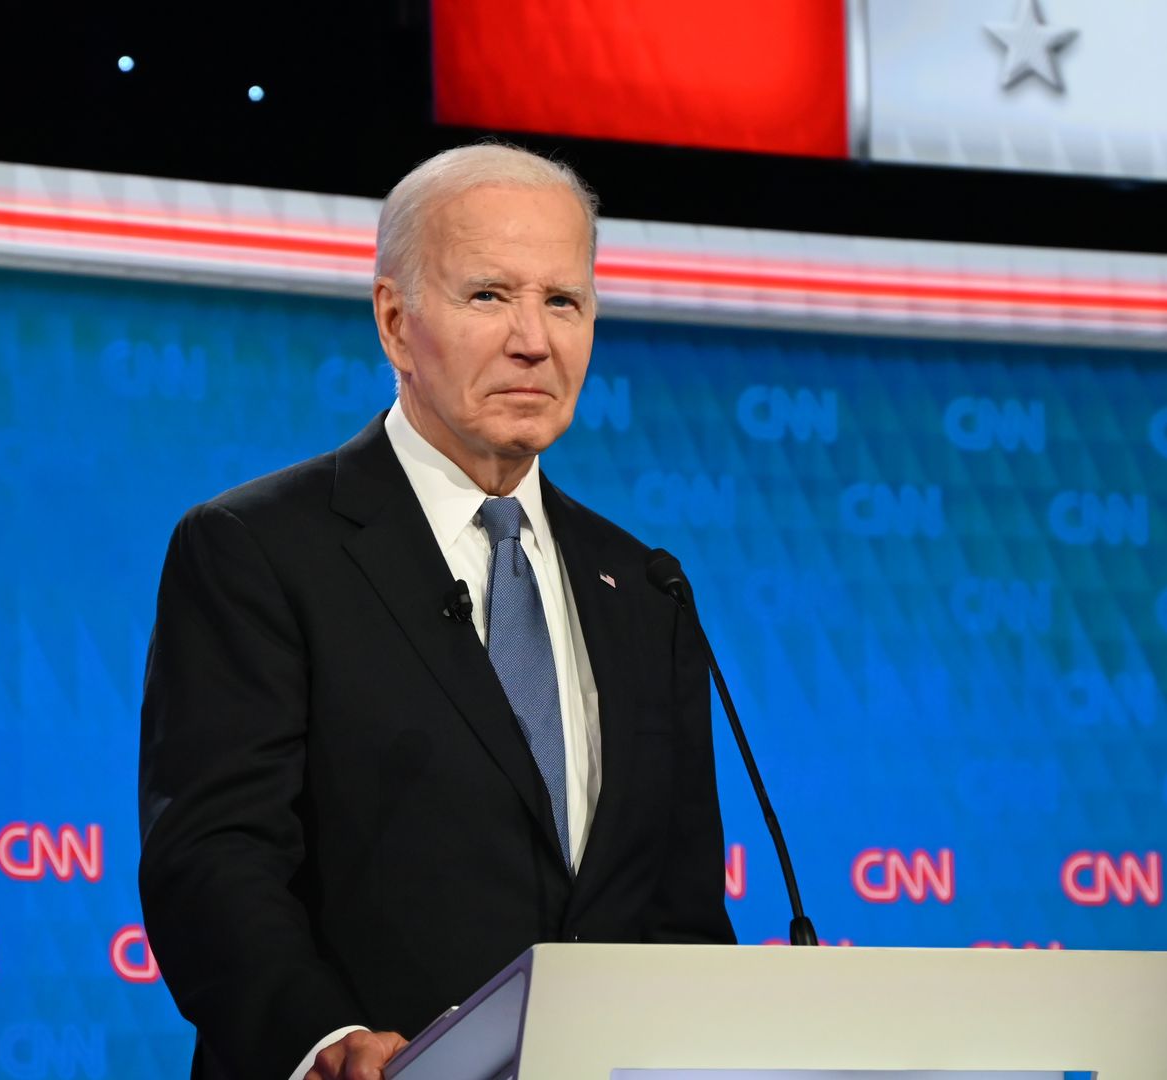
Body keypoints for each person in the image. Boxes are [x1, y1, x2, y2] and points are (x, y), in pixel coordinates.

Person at [137, 142, 735, 1080]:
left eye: (564, 302)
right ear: (394, 321)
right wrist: (326, 1041)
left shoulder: (644, 587)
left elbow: (683, 915)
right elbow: (213, 861)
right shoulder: (258, 549)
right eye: (489, 296)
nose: (533, 339)